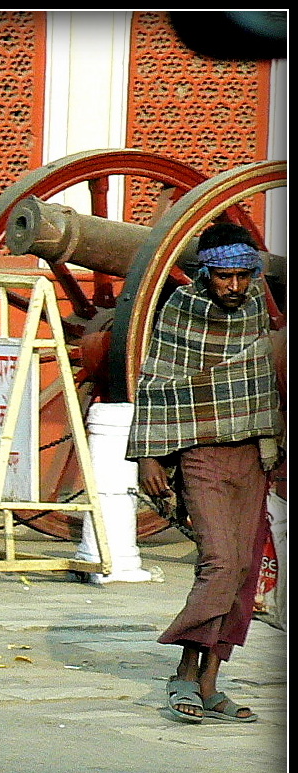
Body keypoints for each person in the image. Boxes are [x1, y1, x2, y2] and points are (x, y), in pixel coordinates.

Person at [127, 221, 283, 724]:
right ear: (205, 275)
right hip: (201, 453)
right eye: (224, 277)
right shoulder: (180, 310)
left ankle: (211, 683)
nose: (234, 287)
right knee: (219, 562)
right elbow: (156, 383)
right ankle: (183, 671)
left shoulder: (257, 304)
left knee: (243, 573)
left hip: (253, 452)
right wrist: (150, 455)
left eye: (243, 276)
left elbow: (262, 377)